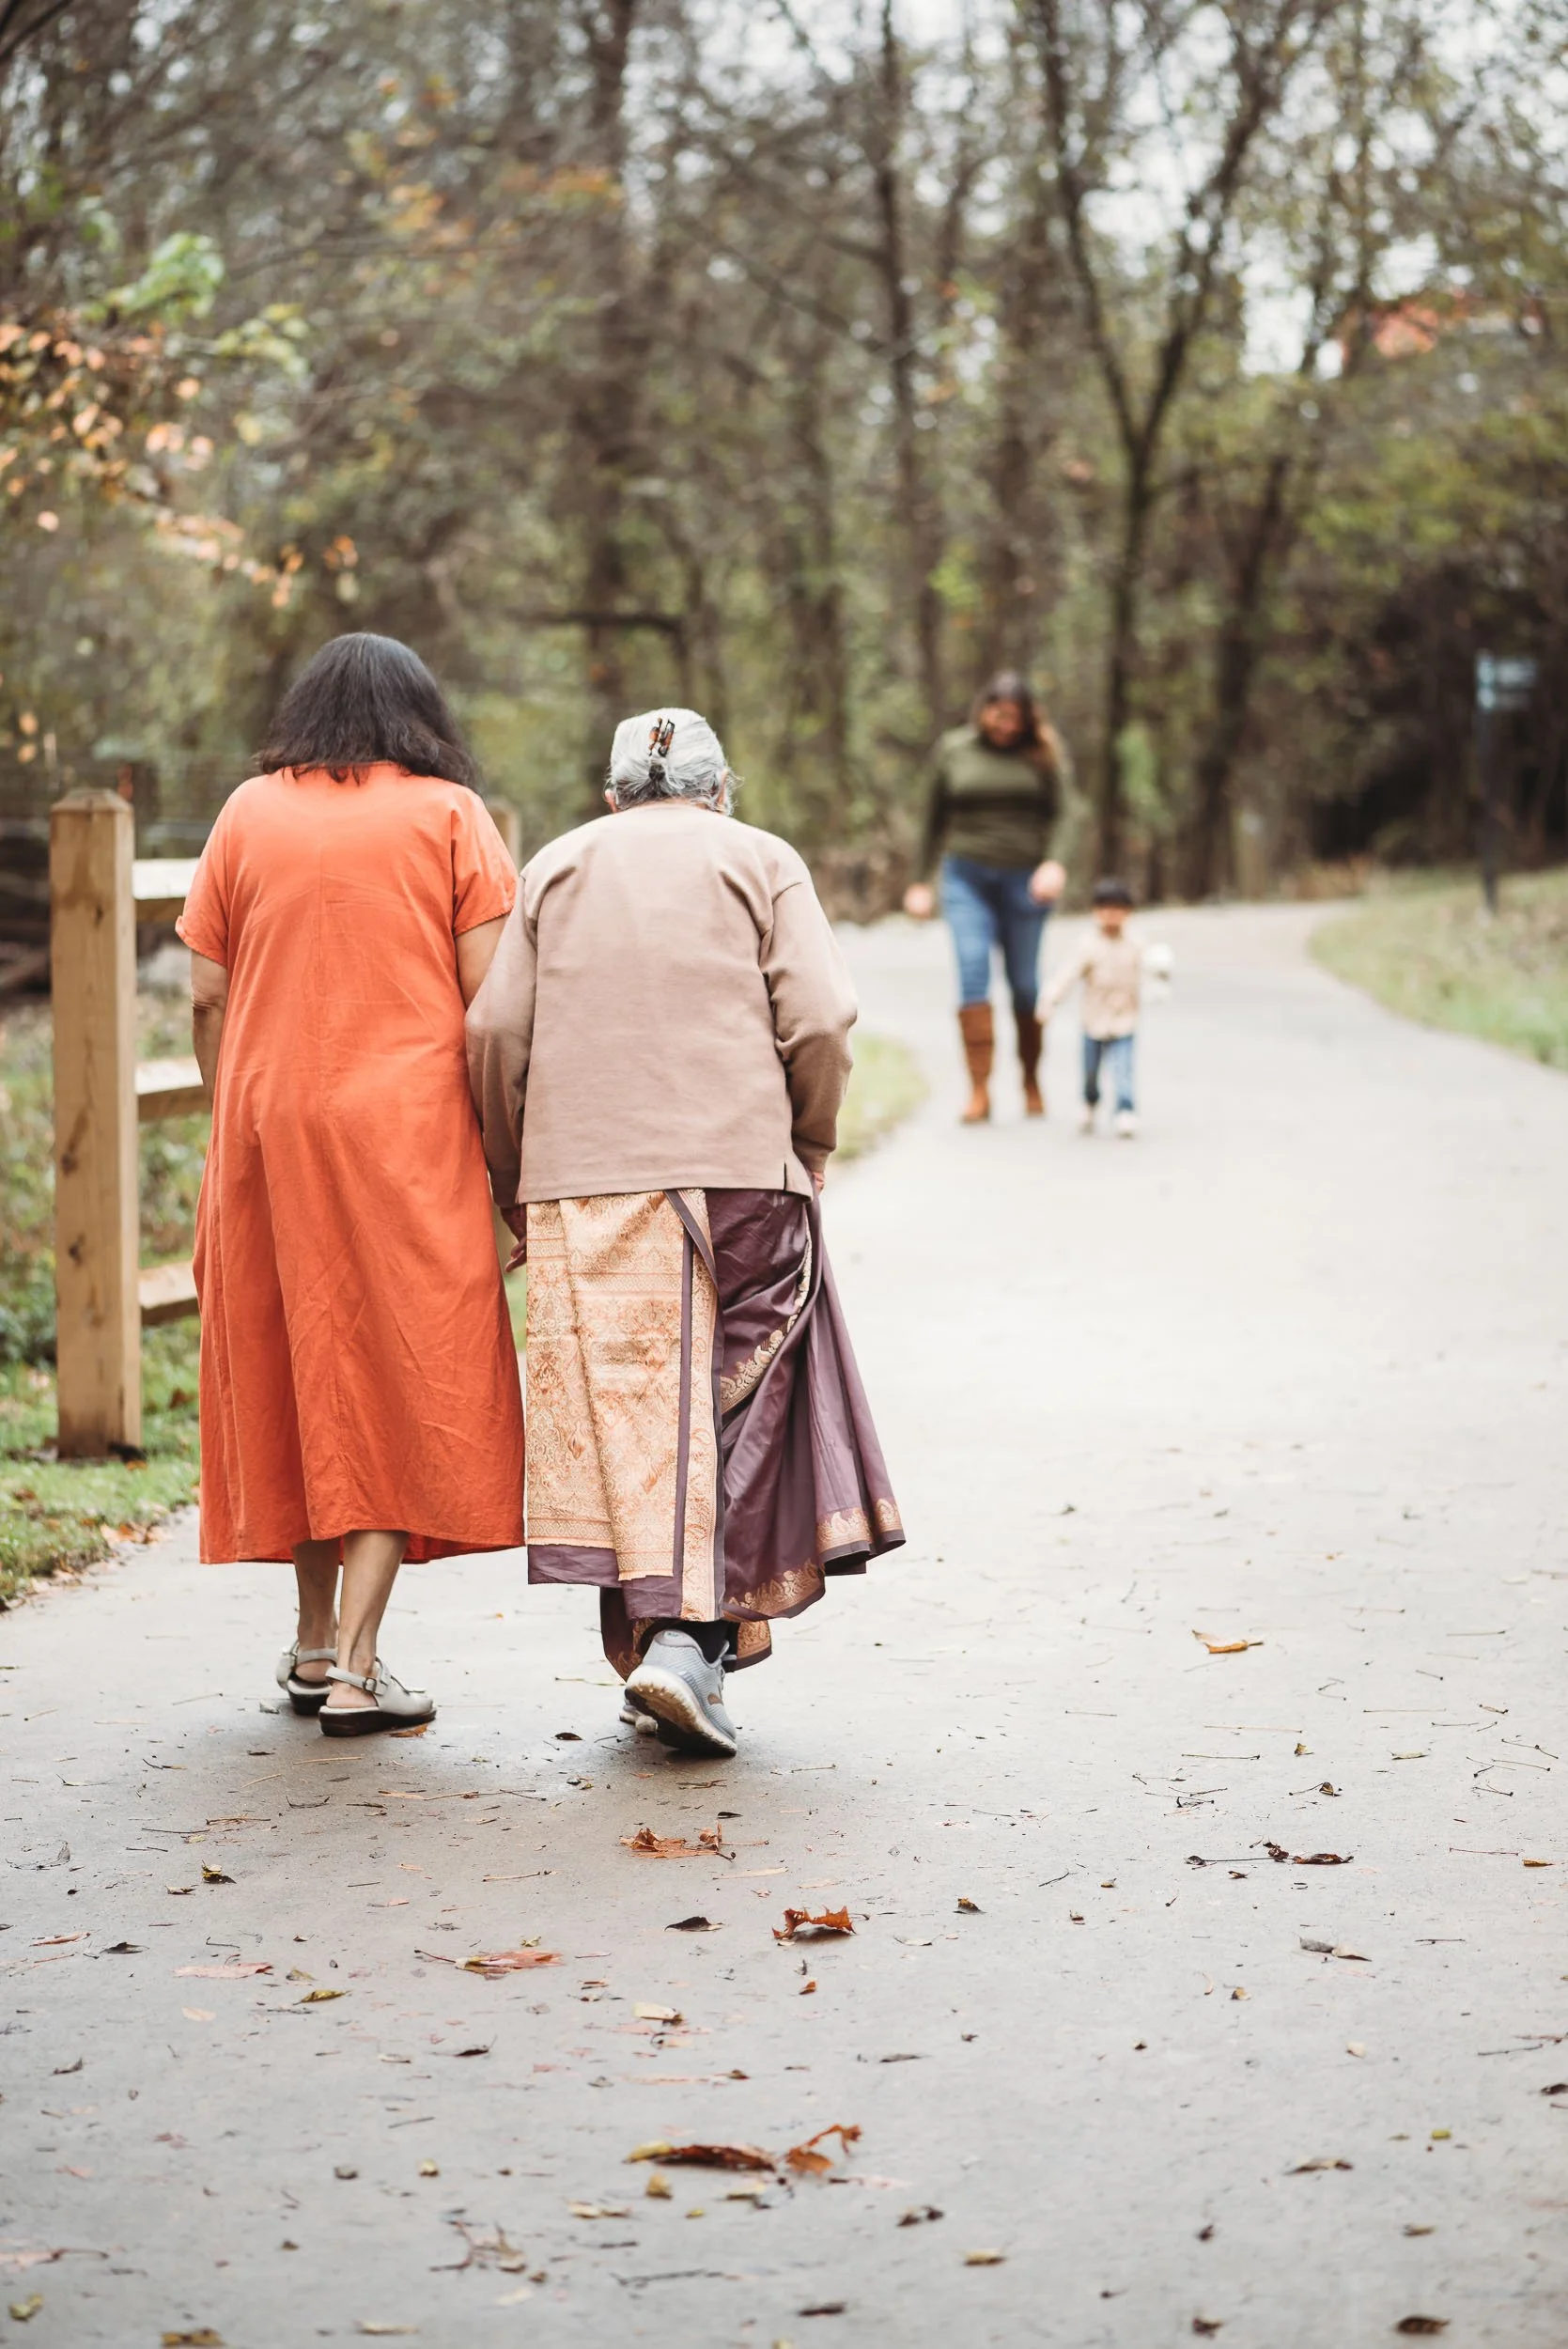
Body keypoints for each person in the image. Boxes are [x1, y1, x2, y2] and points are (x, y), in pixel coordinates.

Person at [465, 707, 903, 1759]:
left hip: (582, 1188)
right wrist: (809, 1139)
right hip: (734, 1175)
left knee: (631, 1416)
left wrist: (516, 1180)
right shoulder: (760, 859)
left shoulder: (556, 866)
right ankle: (687, 1644)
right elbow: (821, 1019)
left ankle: (663, 1649)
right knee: (739, 1406)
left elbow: (494, 1031)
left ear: (612, 796)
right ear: (719, 792)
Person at [176, 632, 525, 1737]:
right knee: (399, 1369)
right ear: (420, 717)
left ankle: (313, 1639)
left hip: (267, 1126)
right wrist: (508, 1168)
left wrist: (235, 1107)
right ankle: (358, 1673)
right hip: (405, 1133)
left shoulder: (246, 812)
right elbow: (492, 1015)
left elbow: (203, 992)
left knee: (295, 1362)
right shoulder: (452, 816)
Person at [903, 671, 1068, 1123]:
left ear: (1028, 717)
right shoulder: (954, 750)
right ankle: (979, 1090)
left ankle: (1030, 1078)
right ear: (983, 711)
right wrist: (919, 882)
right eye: (999, 714)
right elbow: (931, 819)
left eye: (1016, 717)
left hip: (1026, 880)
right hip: (966, 878)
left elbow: (1067, 814)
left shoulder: (1042, 753)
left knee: (1024, 984)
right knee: (973, 973)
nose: (1007, 725)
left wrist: (1055, 862)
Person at [1042, 877, 1168, 1139]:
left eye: (1117, 909)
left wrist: (1159, 980)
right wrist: (1050, 999)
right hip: (1093, 1021)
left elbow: (1152, 970)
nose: (1111, 915)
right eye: (1105, 909)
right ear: (1096, 912)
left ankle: (1125, 1109)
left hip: (1125, 1019)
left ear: (1128, 912)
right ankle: (1090, 1102)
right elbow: (1068, 973)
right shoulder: (1088, 944)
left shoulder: (1136, 944)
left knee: (1123, 1069)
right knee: (1091, 1071)